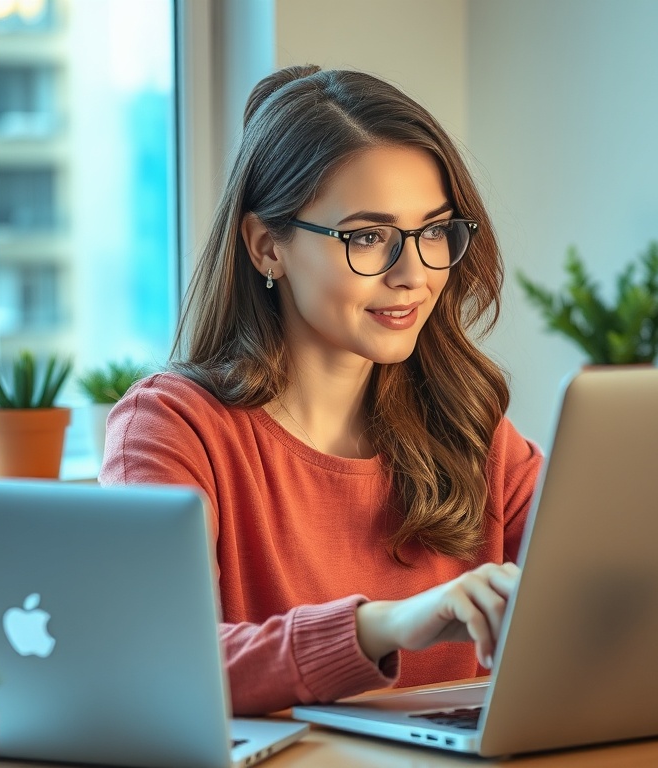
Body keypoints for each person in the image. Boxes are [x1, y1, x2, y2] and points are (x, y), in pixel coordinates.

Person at [99, 64, 543, 716]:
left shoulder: (467, 423)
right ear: (265, 248)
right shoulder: (171, 428)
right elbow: (159, 658)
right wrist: (385, 626)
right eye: (367, 237)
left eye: (433, 232)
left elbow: (595, 579)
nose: (412, 274)